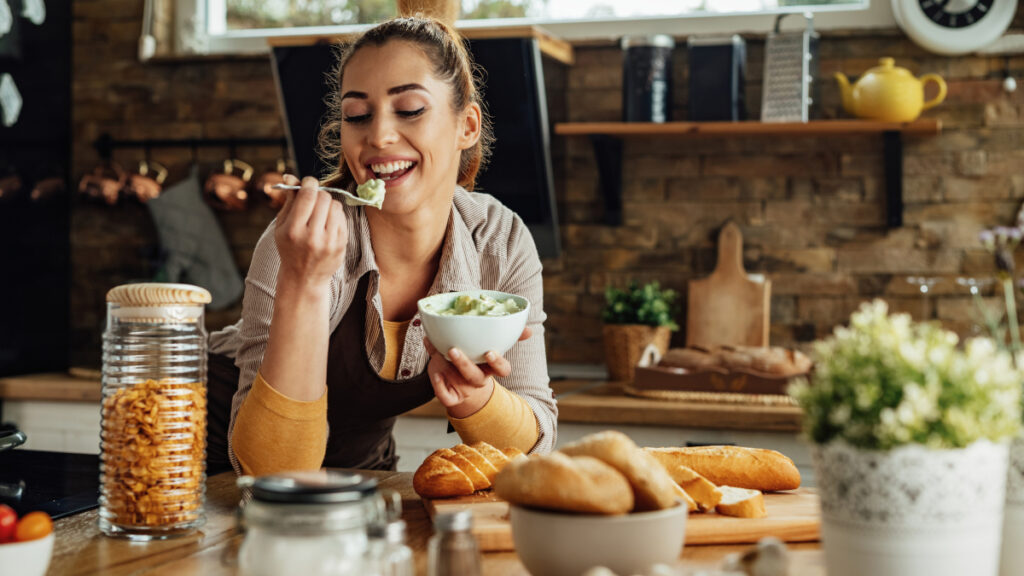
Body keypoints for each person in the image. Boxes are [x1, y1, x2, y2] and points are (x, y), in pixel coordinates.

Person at [205, 16, 557, 476]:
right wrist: (304, 284)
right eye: (357, 115)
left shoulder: (499, 241)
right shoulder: (300, 243)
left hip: (359, 467)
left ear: (466, 125)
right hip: (205, 455)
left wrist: (477, 398)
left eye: (409, 109)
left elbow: (537, 447)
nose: (377, 135)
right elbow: (269, 472)